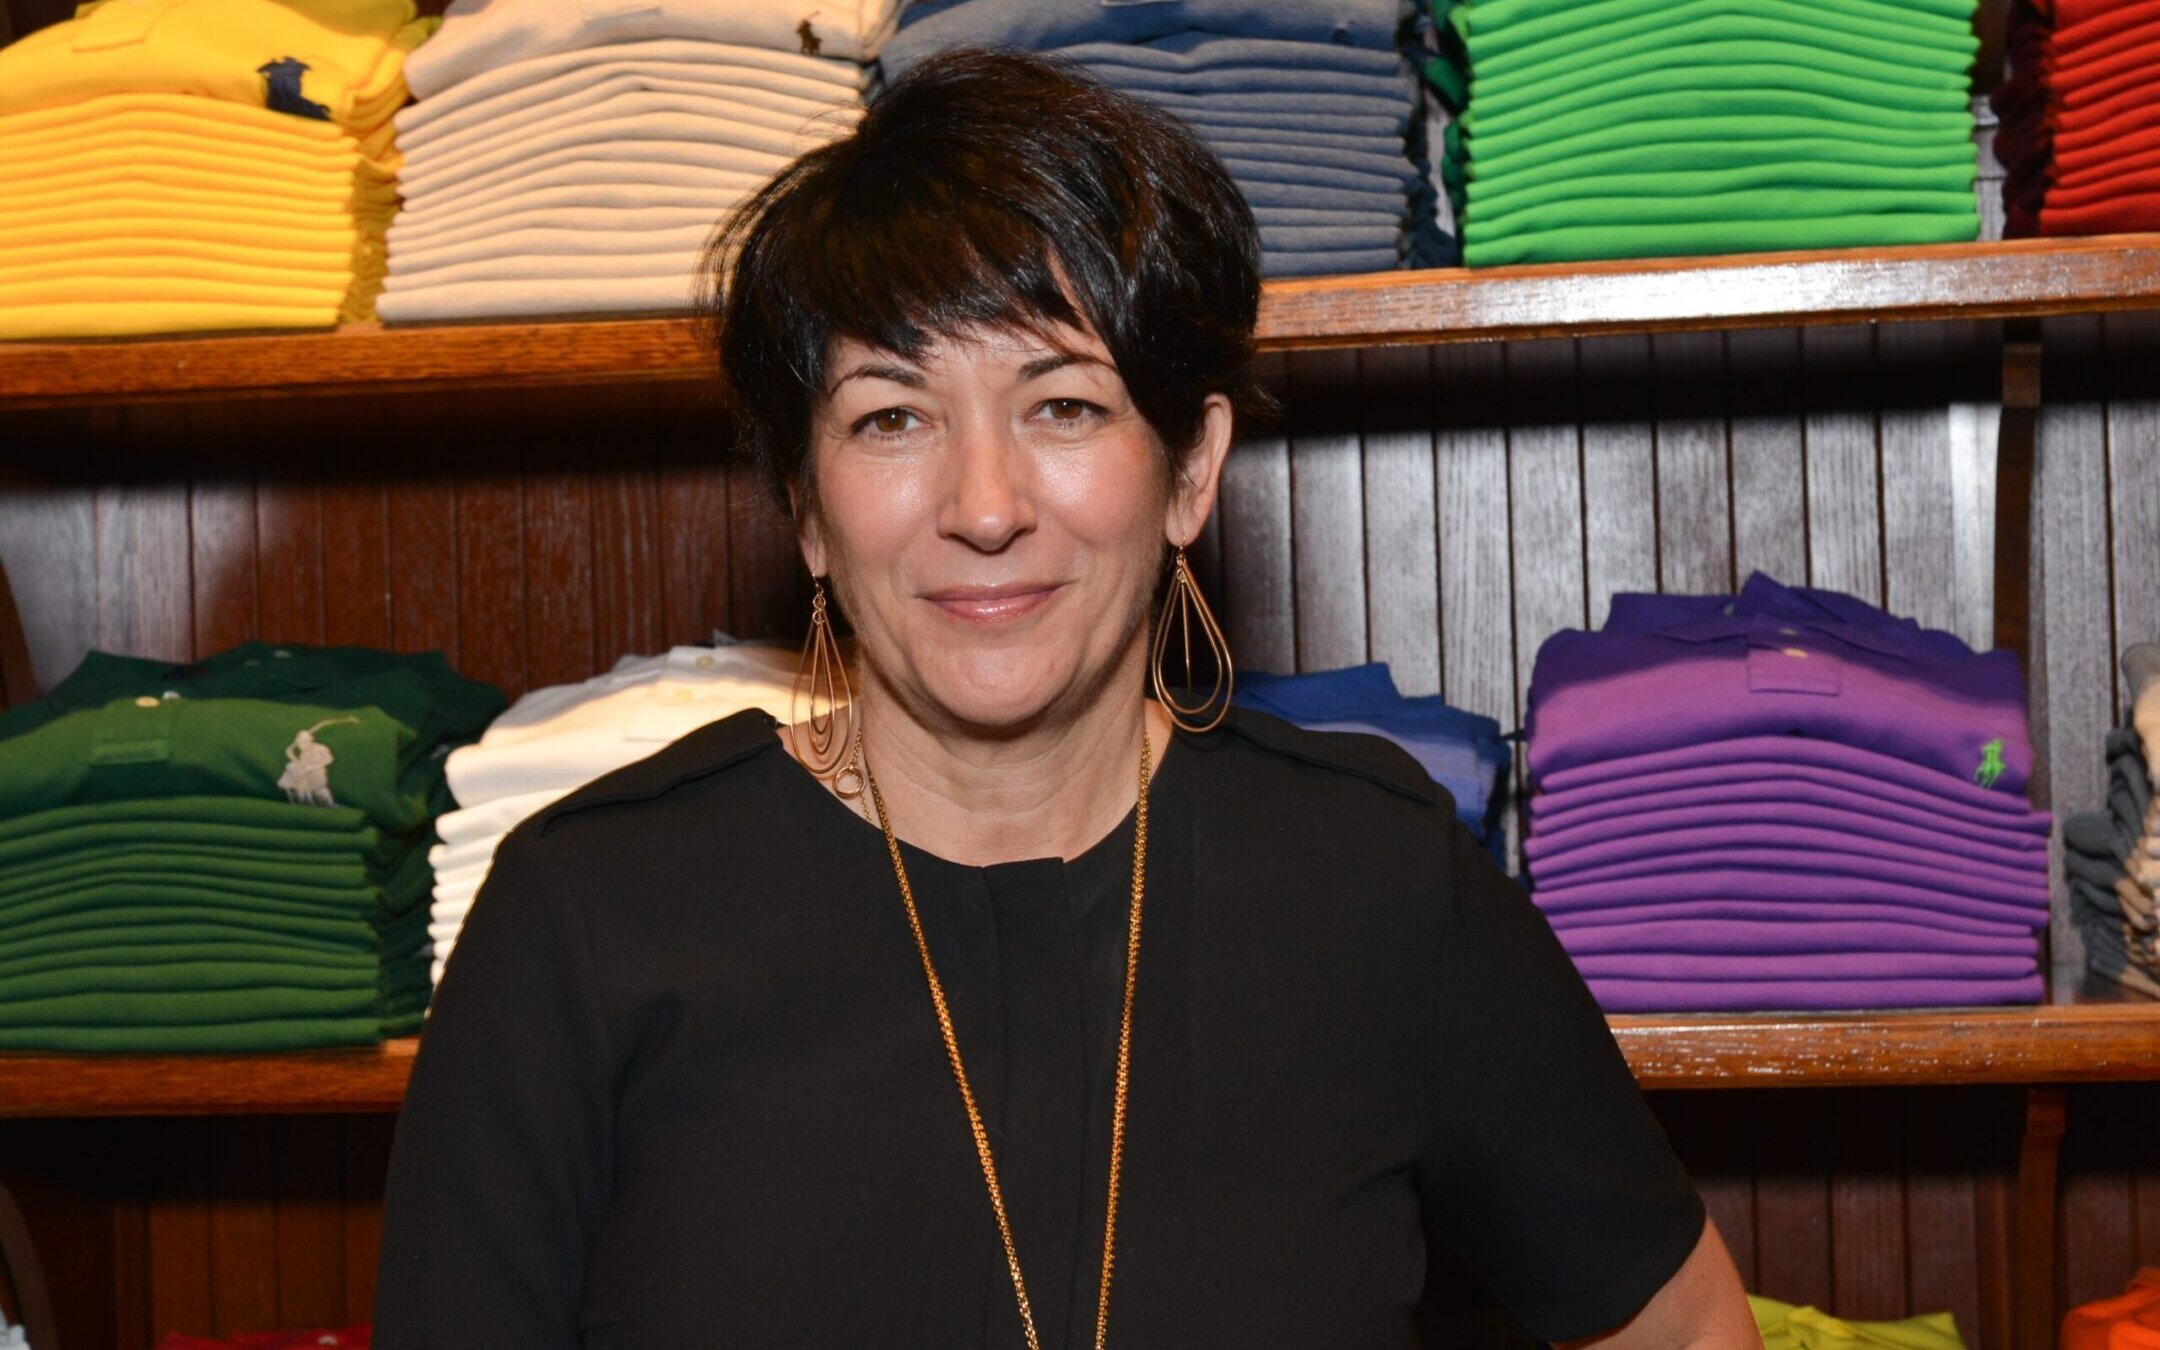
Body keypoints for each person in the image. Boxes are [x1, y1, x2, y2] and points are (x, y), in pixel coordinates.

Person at [373, 48, 1760, 1349]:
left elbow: (1686, 1325)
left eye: (1065, 406)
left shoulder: (1382, 886)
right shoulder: (585, 922)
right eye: (891, 417)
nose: (985, 507)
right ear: (805, 502)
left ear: (1191, 468)